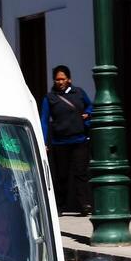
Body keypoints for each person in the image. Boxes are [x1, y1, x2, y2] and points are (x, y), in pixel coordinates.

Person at [39, 65, 92, 215]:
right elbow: (44, 119)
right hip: (60, 142)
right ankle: (60, 206)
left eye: (63, 79)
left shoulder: (79, 93)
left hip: (80, 139)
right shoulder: (50, 98)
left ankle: (85, 204)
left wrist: (88, 113)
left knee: (81, 173)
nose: (60, 82)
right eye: (57, 79)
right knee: (61, 175)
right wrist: (44, 141)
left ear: (69, 79)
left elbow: (90, 106)